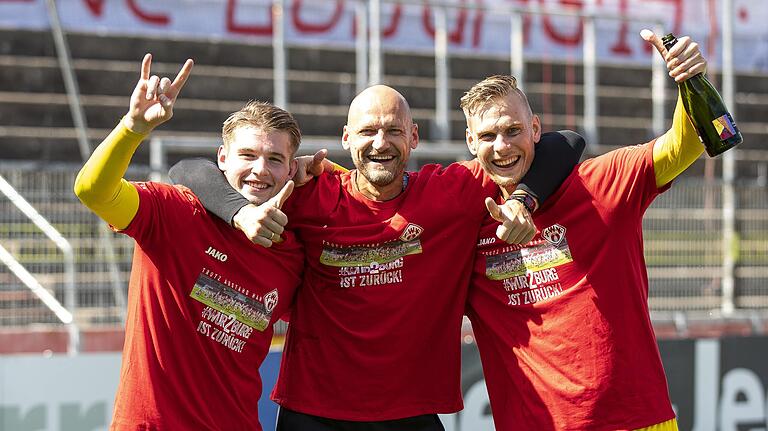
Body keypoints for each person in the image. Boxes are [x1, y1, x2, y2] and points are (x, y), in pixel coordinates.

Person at [170, 84, 583, 429]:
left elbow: (565, 143)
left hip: (413, 415)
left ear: (414, 137)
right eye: (368, 131)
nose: (380, 143)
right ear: (346, 137)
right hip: (313, 415)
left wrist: (525, 199)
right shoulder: (308, 194)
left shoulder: (451, 193)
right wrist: (242, 212)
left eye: (393, 131)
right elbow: (188, 171)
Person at [463, 30, 707, 430]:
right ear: (471, 142)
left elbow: (687, 143)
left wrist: (690, 81)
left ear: (536, 129)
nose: (502, 146)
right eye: (488, 136)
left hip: (635, 422)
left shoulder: (603, 182)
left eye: (512, 131)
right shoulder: (464, 218)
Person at [74, 54, 306, 430]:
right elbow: (92, 191)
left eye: (275, 159)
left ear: (292, 169)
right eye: (247, 155)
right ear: (222, 159)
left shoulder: (291, 252)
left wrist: (327, 173)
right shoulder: (173, 214)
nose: (260, 170)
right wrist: (132, 127)